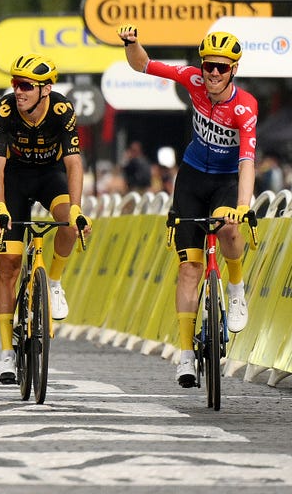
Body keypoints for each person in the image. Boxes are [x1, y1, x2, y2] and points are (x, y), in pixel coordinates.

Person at [117, 25, 258, 388]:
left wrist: (243, 205)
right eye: (208, 65)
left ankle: (237, 290)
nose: (212, 73)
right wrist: (133, 44)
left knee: (228, 228)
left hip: (227, 179)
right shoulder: (192, 80)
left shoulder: (245, 107)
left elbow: (246, 160)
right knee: (189, 270)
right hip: (192, 178)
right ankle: (185, 355)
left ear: (233, 71)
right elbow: (143, 65)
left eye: (221, 68)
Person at [0, 54, 90, 384]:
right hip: (15, 180)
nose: (18, 91)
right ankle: (6, 352)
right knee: (9, 264)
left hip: (50, 176)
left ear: (46, 89)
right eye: (15, 84)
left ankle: (54, 282)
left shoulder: (62, 111)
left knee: (70, 225)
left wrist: (76, 208)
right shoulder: (4, 112)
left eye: (26, 86)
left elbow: (74, 164)